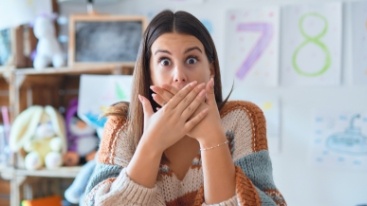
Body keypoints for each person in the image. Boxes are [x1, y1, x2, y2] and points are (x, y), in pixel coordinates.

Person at [84, 10, 286, 206]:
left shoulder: (241, 118)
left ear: (211, 70)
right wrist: (151, 143)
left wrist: (212, 139)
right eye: (165, 61)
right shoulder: (122, 126)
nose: (179, 75)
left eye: (191, 60)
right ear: (149, 72)